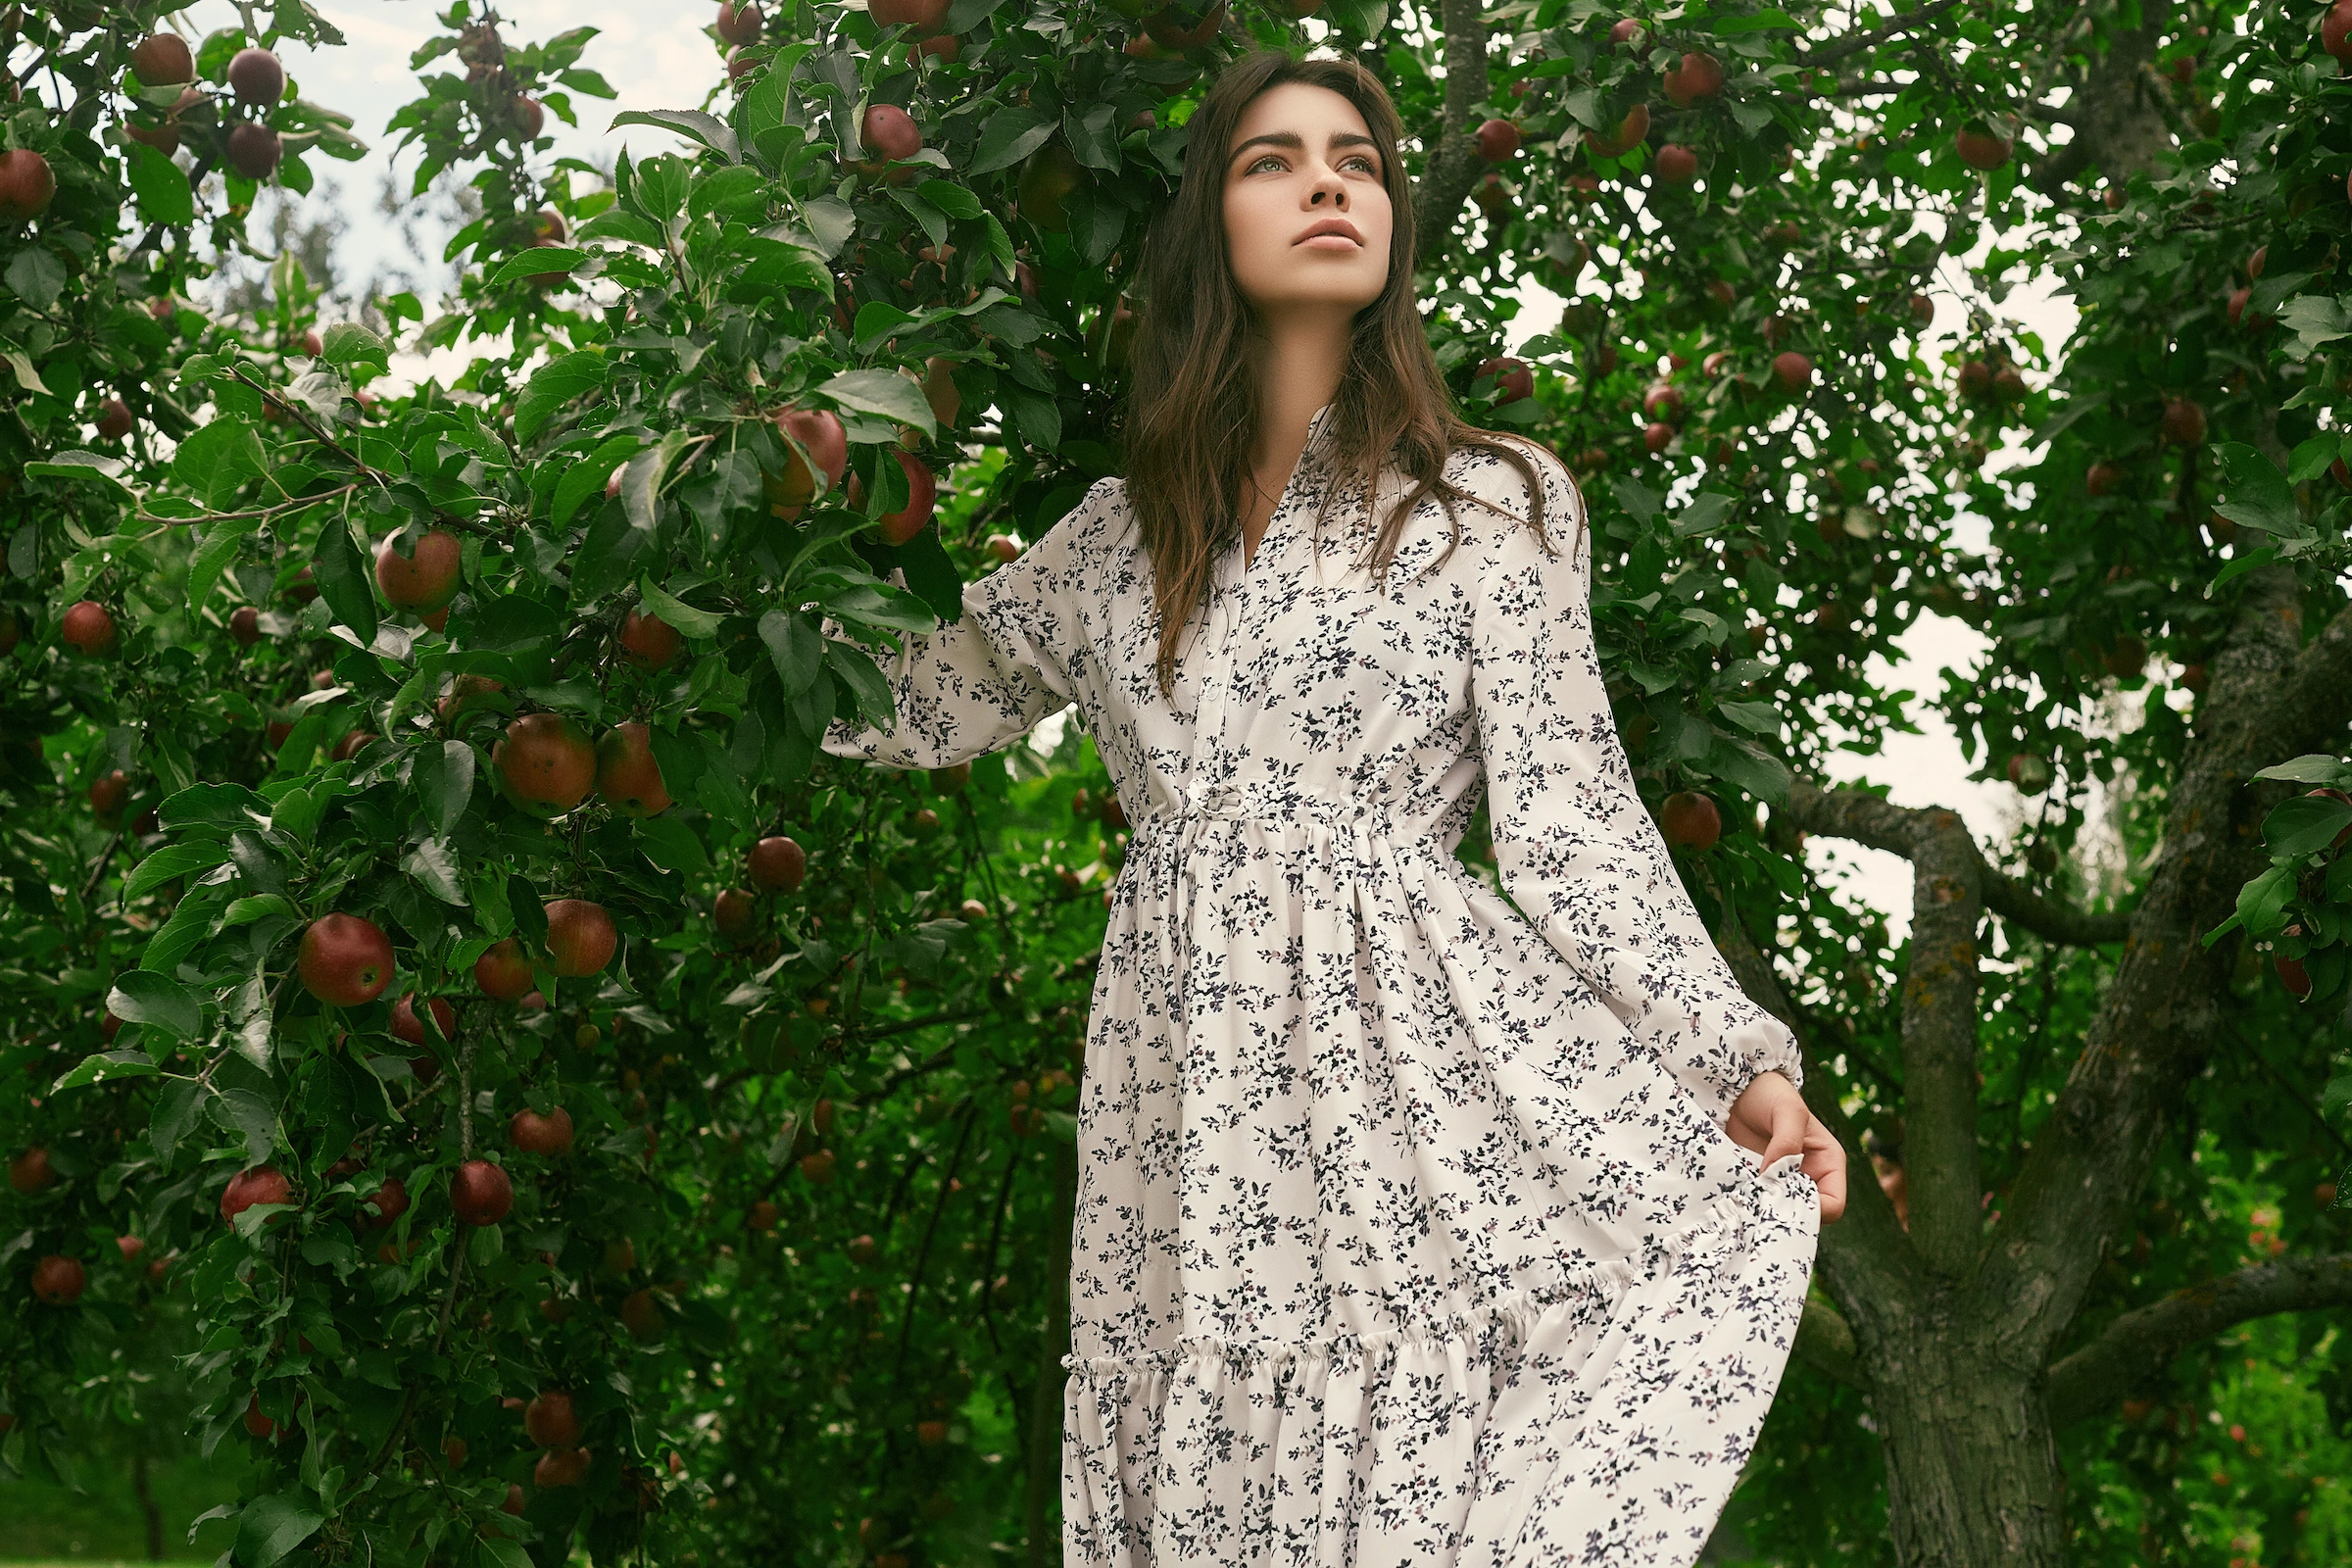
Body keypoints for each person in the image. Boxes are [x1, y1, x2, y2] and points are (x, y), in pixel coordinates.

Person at [823, 47, 1849, 1568]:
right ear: (1208, 234)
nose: (1326, 182)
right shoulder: (1117, 538)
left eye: (1358, 161)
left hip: (1417, 1066)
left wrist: (1732, 1064)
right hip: (1190, 1097)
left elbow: (1575, 827)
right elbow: (907, 704)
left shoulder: (1489, 501)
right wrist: (734, 540)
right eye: (1272, 160)